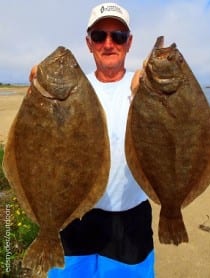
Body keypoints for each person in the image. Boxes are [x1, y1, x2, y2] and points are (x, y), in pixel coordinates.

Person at [31, 3, 155, 277]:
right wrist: (39, 94)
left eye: (118, 36)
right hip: (73, 216)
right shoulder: (72, 87)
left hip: (129, 219)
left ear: (129, 42)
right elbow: (41, 144)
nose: (109, 43)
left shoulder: (144, 86)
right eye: (100, 36)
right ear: (89, 43)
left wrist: (148, 92)